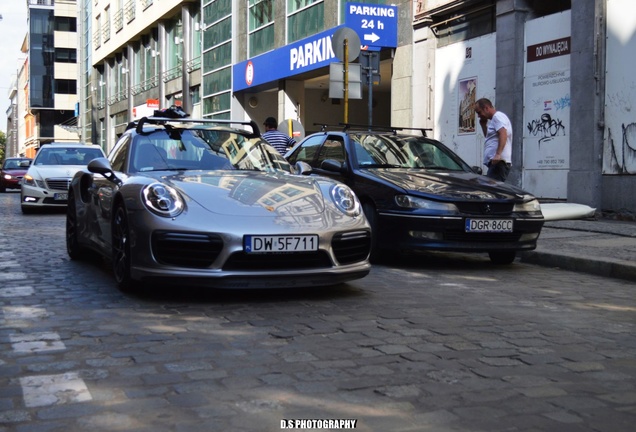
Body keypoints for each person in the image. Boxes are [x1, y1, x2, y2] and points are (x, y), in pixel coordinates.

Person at [475, 98, 512, 182]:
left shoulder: (497, 117)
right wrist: (483, 125)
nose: (478, 116)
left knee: (492, 190)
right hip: (495, 163)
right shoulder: (494, 120)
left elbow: (503, 133)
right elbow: (489, 138)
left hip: (499, 162)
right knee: (493, 190)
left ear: (486, 108)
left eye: (479, 112)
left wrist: (498, 154)